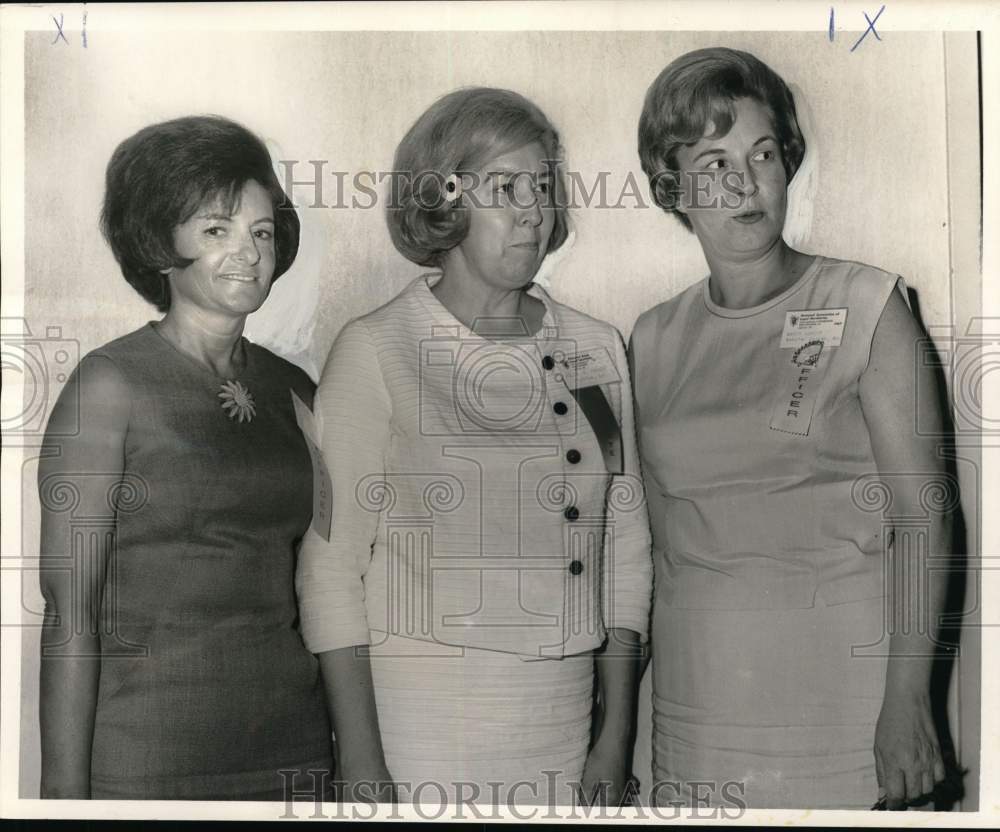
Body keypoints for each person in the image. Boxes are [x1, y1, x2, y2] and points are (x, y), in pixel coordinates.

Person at [296, 87, 653, 806]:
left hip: (562, 717)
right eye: (505, 188)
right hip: (419, 720)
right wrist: (361, 761)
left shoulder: (596, 347)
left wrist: (615, 734)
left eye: (543, 186)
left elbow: (628, 548)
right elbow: (331, 571)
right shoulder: (377, 348)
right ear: (444, 203)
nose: (532, 209)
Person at [631, 47, 954, 809]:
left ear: (787, 164)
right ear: (671, 185)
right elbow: (653, 542)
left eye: (763, 152)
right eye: (713, 161)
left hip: (845, 707)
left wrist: (908, 703)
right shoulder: (650, 337)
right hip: (697, 709)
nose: (744, 183)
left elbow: (924, 516)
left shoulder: (869, 304)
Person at [38, 116, 333, 800]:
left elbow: (326, 581)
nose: (248, 253)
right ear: (160, 240)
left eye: (261, 232)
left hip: (293, 752)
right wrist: (60, 801)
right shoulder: (109, 385)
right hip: (147, 757)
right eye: (215, 229)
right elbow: (69, 615)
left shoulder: (297, 390)